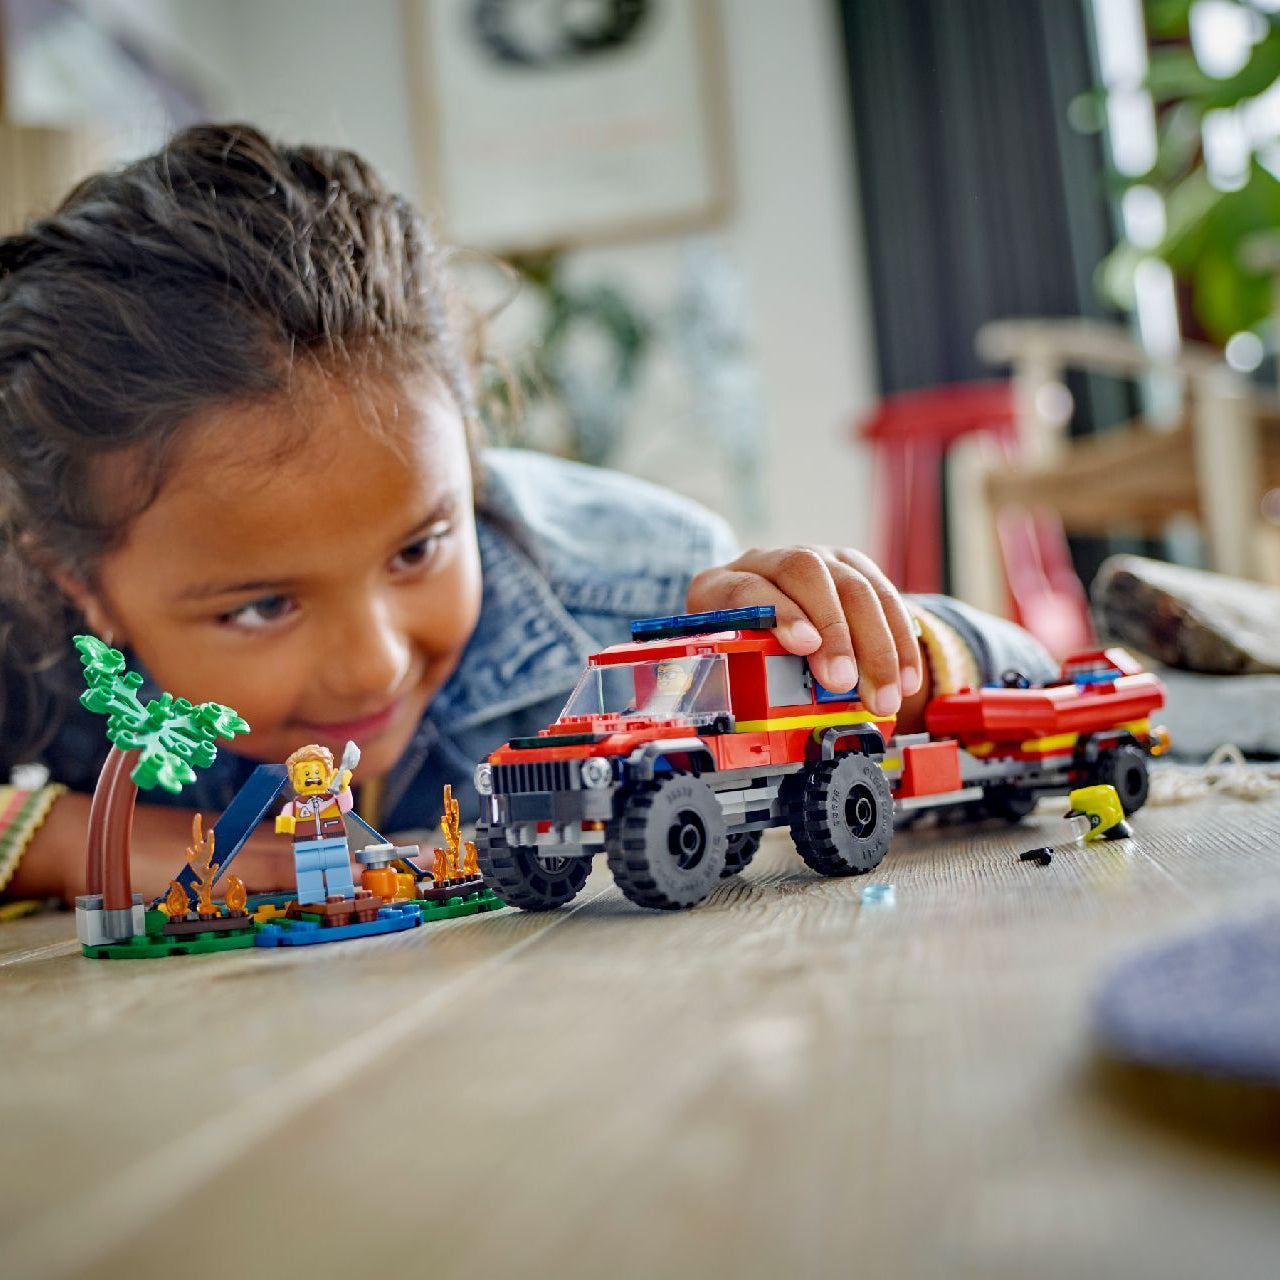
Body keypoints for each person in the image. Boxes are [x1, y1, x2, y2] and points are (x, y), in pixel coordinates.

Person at [0, 124, 1054, 906]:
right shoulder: (31, 628)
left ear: (466, 449)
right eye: (262, 605)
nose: (371, 664)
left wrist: (897, 649)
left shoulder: (643, 601)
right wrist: (114, 841)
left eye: (419, 545)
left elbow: (1034, 678)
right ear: (77, 580)